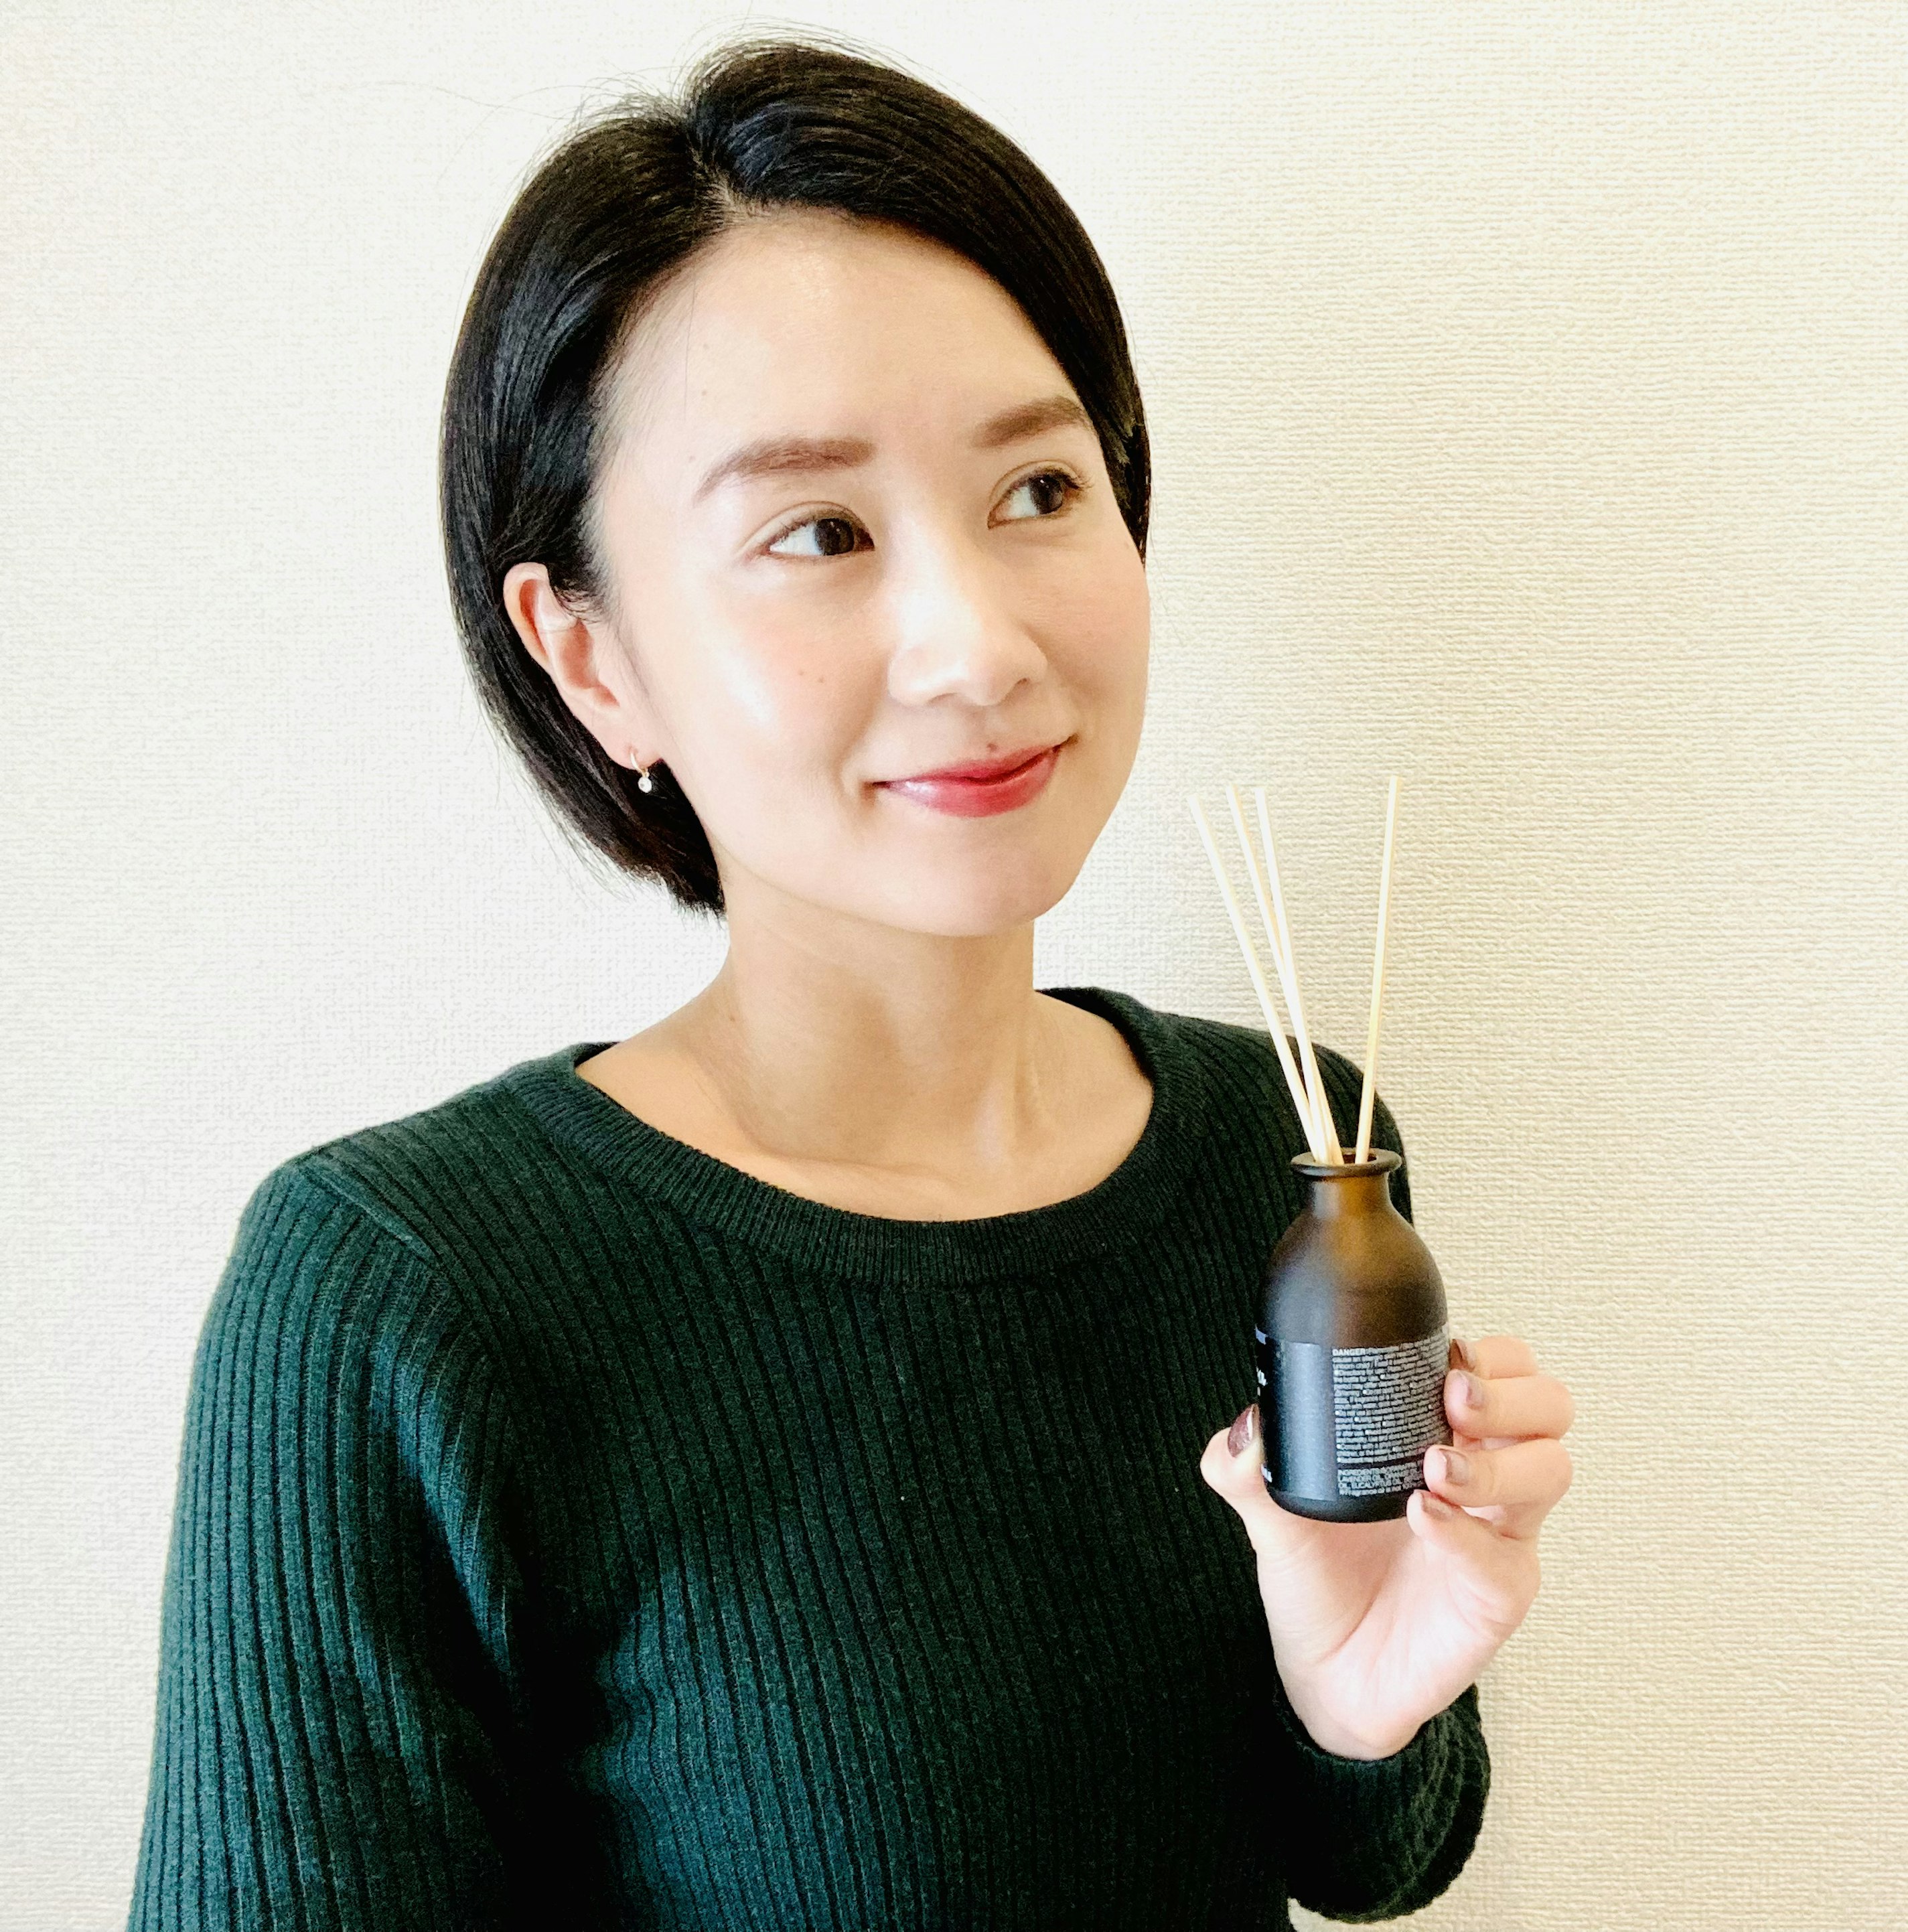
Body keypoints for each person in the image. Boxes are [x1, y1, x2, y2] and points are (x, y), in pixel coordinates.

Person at [127, 31, 1576, 1931]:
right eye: (815, 532)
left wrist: (1368, 1695)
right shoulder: (399, 1296)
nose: (974, 644)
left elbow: (1368, 1854)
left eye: (1041, 492)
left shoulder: (1293, 1152)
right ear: (591, 656)